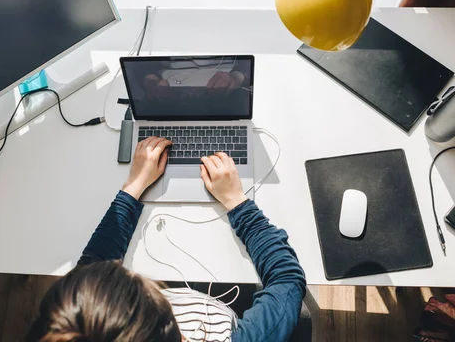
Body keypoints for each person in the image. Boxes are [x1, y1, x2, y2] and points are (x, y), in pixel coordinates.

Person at [27, 136, 306, 342]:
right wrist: (237, 202)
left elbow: (92, 267)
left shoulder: (72, 328)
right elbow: (287, 279)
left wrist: (134, 186)